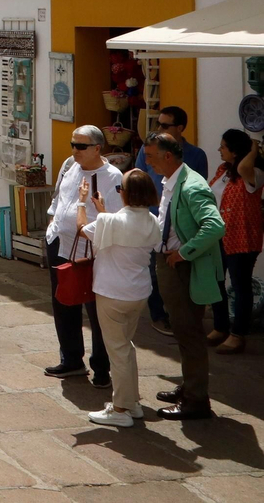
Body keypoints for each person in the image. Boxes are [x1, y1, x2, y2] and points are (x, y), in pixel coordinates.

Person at [143, 131, 226, 420]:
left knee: (189, 334)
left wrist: (183, 253)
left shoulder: (191, 186)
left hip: (183, 268)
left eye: (151, 156)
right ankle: (188, 387)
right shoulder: (172, 180)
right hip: (171, 265)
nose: (147, 162)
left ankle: (196, 401)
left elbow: (215, 226)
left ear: (168, 156)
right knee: (181, 331)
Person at [77, 169, 162, 426]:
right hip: (138, 293)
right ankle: (132, 402)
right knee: (126, 345)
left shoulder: (110, 222)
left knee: (118, 349)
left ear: (124, 194)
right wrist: (103, 211)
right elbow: (120, 229)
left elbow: (82, 228)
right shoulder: (152, 222)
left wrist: (82, 202)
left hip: (112, 292)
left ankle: (121, 409)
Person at [42, 125, 123, 387]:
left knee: (97, 310)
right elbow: (58, 196)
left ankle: (101, 367)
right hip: (60, 243)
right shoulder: (70, 165)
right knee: (64, 302)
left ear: (97, 148)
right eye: (73, 145)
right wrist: (52, 224)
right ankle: (71, 359)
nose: (75, 150)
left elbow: (115, 217)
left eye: (81, 146)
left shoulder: (112, 176)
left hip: (91, 251)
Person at [133, 105, 209, 334]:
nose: (159, 128)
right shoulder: (147, 151)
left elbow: (198, 189)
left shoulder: (196, 155)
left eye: (165, 125)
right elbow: (139, 177)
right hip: (153, 216)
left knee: (179, 272)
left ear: (180, 128)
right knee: (152, 270)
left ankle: (183, 317)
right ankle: (158, 315)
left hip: (181, 225)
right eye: (159, 123)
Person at [207, 129, 261, 354]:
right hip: (219, 234)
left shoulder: (254, 172)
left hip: (242, 237)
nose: (220, 150)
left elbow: (243, 168)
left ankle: (238, 334)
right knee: (216, 280)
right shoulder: (223, 171)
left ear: (236, 150)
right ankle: (220, 327)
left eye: (224, 146)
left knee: (240, 285)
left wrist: (255, 149)